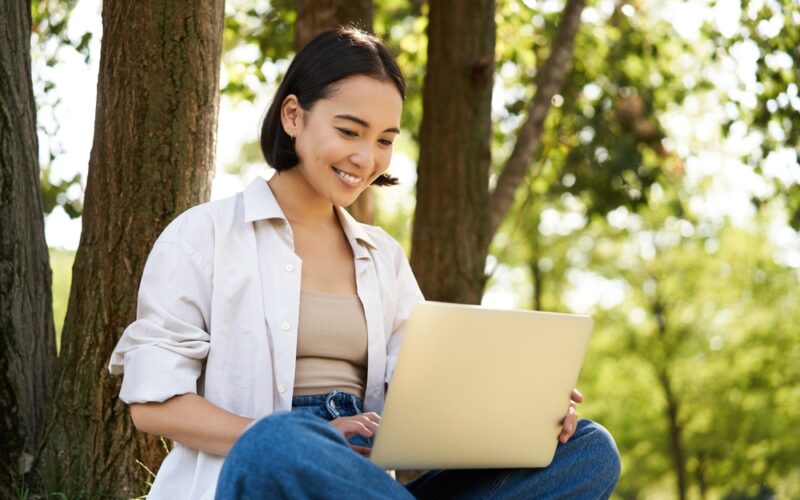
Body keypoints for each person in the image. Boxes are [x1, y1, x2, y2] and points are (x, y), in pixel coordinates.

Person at [109, 27, 620, 500]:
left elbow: (424, 401)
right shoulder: (204, 236)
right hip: (266, 474)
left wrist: (524, 410)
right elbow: (154, 405)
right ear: (293, 116)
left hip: (362, 480)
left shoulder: (382, 257)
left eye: (384, 140)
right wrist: (309, 437)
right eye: (350, 131)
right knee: (277, 443)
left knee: (589, 450)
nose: (367, 157)